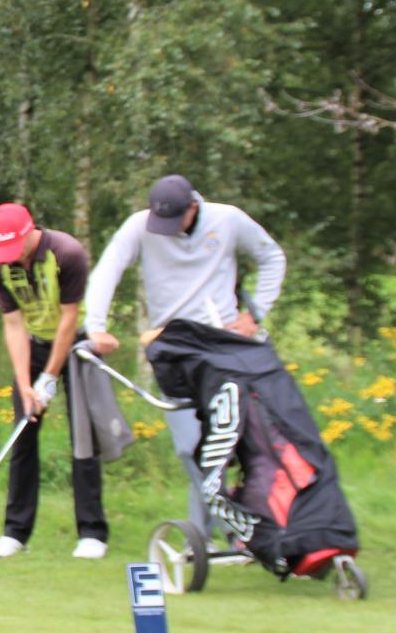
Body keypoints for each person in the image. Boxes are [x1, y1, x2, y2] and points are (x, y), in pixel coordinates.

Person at [83, 174, 288, 526]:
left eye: (175, 219)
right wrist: (96, 326)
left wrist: (253, 315)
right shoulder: (140, 226)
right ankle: (228, 531)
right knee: (189, 449)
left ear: (193, 206)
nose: (167, 229)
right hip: (174, 351)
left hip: (224, 348)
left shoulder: (228, 219)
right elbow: (107, 270)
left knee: (231, 446)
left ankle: (234, 531)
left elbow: (272, 257)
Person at [0, 202, 108, 560]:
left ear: (29, 232)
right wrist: (26, 383)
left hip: (77, 346)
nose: (10, 255)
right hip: (34, 345)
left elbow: (69, 320)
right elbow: (13, 324)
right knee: (23, 434)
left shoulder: (67, 254)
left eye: (13, 246)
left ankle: (92, 533)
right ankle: (15, 533)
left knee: (83, 438)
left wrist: (50, 377)